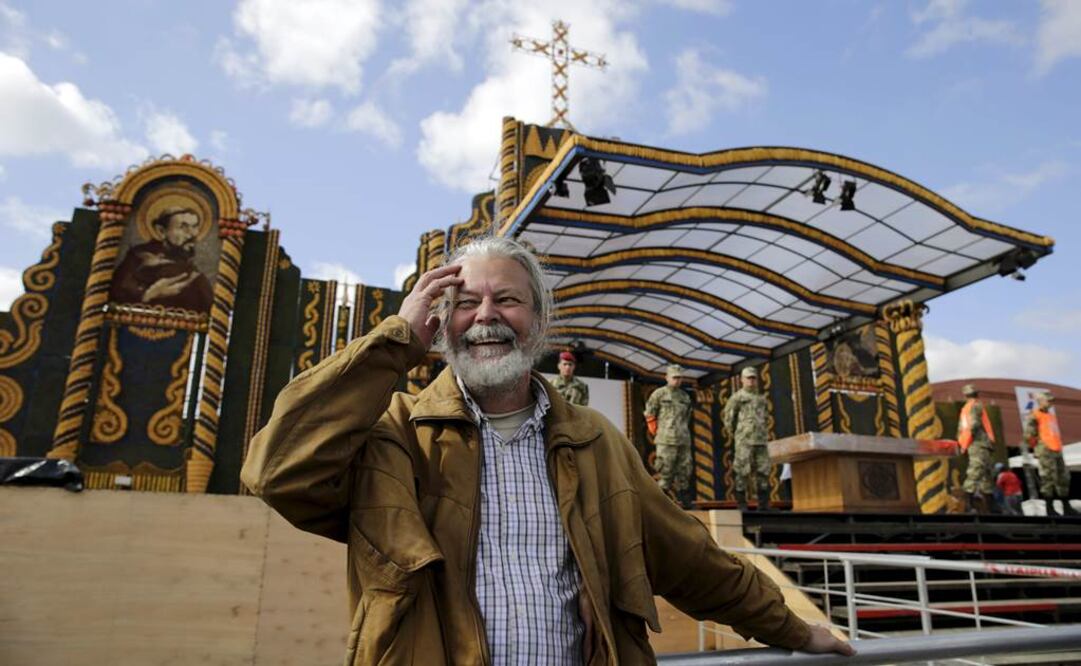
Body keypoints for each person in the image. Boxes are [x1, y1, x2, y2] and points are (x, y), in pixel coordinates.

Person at [242, 236, 853, 664]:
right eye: (466, 302)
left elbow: (692, 561)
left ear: (538, 320)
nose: (486, 316)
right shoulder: (393, 437)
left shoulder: (596, 443)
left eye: (507, 299)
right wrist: (396, 341)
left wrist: (796, 630)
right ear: (439, 318)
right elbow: (276, 470)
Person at [109, 206, 213, 312]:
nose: (192, 234)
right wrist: (149, 294)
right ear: (161, 231)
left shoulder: (191, 270)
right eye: (183, 227)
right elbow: (116, 293)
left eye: (195, 227)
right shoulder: (139, 257)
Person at [644, 364, 693, 507]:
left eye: (679, 378)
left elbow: (687, 416)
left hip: (683, 439)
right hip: (666, 440)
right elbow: (649, 413)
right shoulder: (659, 394)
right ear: (667, 378)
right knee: (665, 471)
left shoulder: (685, 396)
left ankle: (686, 502)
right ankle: (659, 504)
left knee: (685, 471)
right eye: (674, 378)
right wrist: (657, 431)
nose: (677, 380)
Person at [723, 366, 771, 511]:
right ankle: (742, 504)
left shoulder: (761, 399)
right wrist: (738, 435)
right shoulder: (737, 398)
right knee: (742, 471)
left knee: (763, 471)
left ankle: (763, 504)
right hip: (744, 442)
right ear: (742, 380)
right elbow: (729, 420)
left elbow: (766, 417)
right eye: (748, 378)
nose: (751, 381)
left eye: (753, 378)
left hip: (760, 441)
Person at [1024, 391, 1077, 516]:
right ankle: (1049, 508)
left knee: (1063, 478)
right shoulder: (1034, 415)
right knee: (1048, 479)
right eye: (1048, 400)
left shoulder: (1050, 416)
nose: (1050, 403)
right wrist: (1038, 448)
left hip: (1056, 449)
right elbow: (1029, 435)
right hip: (1045, 449)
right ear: (1041, 401)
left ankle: (1066, 506)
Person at [957, 384, 995, 514]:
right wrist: (965, 444)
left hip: (973, 444)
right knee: (978, 472)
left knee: (983, 474)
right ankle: (969, 505)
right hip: (979, 444)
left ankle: (985, 507)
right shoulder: (976, 405)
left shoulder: (964, 409)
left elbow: (961, 429)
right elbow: (974, 426)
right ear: (977, 394)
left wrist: (963, 444)